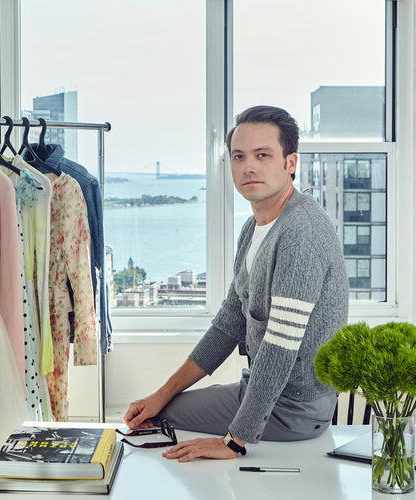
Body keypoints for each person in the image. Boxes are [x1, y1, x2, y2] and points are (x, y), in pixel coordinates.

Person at [123, 105, 349, 462]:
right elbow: (229, 323)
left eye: (263, 155)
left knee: (159, 423)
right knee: (157, 409)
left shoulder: (300, 234)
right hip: (262, 392)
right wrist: (161, 393)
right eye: (238, 156)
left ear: (291, 162)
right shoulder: (253, 227)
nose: (249, 167)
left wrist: (234, 441)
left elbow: (279, 347)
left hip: (296, 410)